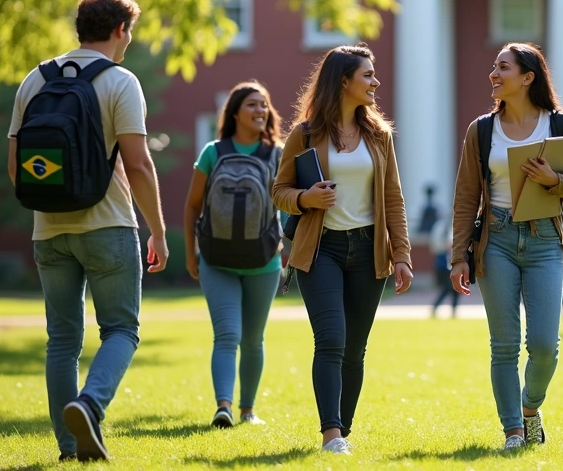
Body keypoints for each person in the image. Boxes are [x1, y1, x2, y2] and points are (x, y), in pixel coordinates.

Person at [7, 0, 168, 462]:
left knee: (62, 339)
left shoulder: (34, 80)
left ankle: (67, 447)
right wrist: (157, 229)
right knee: (121, 330)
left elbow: (16, 166)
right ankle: (90, 404)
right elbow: (138, 165)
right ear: (121, 29)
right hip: (109, 227)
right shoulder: (121, 81)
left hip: (48, 230)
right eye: (130, 32)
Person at [272, 44, 413, 455]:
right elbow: (279, 191)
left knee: (355, 349)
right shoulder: (305, 134)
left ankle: (342, 431)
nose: (375, 82)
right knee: (331, 337)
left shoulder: (378, 135)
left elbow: (394, 199)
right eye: (367, 75)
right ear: (343, 81)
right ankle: (331, 433)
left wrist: (401, 255)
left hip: (369, 250)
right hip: (321, 250)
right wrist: (305, 199)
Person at [449, 42, 563, 451]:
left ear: (528, 77)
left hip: (545, 239)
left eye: (503, 68)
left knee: (545, 346)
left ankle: (531, 407)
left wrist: (553, 180)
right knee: (504, 345)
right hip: (497, 240)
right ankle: (513, 431)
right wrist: (459, 255)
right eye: (494, 67)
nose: (494, 74)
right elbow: (465, 197)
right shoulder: (481, 130)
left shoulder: (559, 125)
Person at [183, 81, 284, 428]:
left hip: (264, 261)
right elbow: (192, 207)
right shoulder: (213, 151)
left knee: (253, 339)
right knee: (227, 334)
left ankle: (248, 409)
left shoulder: (278, 153)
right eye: (253, 105)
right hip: (216, 260)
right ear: (235, 112)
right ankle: (223, 407)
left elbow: (289, 205)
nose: (260, 111)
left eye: (264, 105)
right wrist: (190, 254)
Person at [430, 215, 459, 318]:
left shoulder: (442, 226)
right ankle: (436, 307)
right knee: (448, 288)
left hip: (451, 262)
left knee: (455, 289)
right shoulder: (445, 227)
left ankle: (453, 311)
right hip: (447, 264)